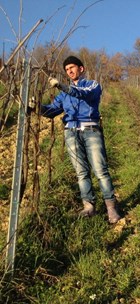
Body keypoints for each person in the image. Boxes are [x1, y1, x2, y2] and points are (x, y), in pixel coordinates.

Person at [40, 55, 121, 224]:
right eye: (67, 70)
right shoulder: (64, 95)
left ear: (81, 69)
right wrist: (35, 108)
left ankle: (111, 207)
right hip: (71, 133)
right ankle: (89, 206)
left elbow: (83, 94)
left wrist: (62, 86)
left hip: (91, 130)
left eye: (72, 67)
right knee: (81, 173)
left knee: (100, 170)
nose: (69, 71)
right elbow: (52, 111)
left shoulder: (92, 85)